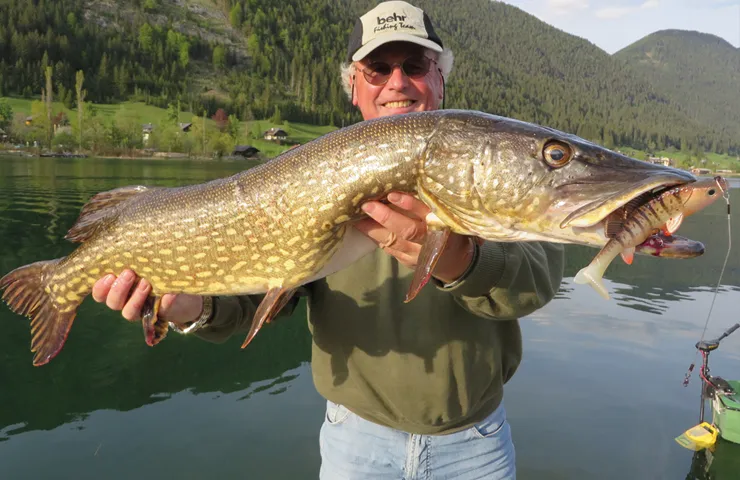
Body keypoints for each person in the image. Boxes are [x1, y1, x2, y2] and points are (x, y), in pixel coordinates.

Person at [92, 1, 565, 478]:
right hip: (355, 442)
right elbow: (261, 292)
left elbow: (534, 284)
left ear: (439, 79)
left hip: (473, 443)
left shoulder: (482, 167)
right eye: (378, 68)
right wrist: (191, 309)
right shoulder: (309, 173)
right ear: (354, 86)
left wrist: (458, 260)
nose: (397, 82)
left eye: (416, 65)